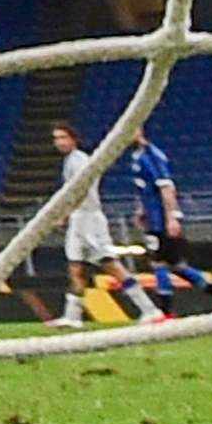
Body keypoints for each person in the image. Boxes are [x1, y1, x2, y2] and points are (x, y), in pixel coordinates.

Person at [48, 123, 161, 325]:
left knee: (111, 265)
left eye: (63, 138)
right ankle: (72, 316)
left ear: (74, 138)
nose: (59, 143)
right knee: (75, 267)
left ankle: (149, 309)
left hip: (90, 219)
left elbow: (81, 190)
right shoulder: (69, 162)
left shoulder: (81, 160)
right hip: (78, 219)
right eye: (56, 138)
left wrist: (63, 214)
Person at [116, 127, 195, 303]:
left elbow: (167, 188)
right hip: (153, 219)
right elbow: (146, 189)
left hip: (161, 220)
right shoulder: (136, 156)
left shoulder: (151, 155)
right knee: (176, 266)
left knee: (159, 264)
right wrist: (141, 209)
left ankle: (165, 312)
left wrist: (172, 217)